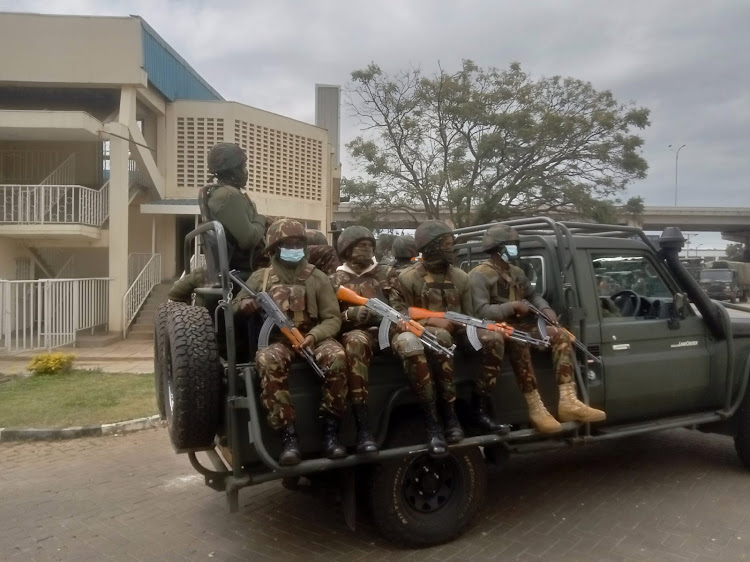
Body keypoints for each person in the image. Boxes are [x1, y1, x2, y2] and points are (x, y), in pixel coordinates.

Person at [232, 218, 348, 466]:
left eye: (298, 243)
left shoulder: (317, 277)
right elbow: (234, 305)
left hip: (312, 337)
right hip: (277, 341)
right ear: (274, 247)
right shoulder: (260, 278)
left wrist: (313, 336)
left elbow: (332, 319)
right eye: (288, 243)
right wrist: (244, 305)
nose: (294, 248)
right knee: (266, 358)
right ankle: (288, 437)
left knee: (336, 356)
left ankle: (331, 433)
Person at [469, 224, 606, 433]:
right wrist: (512, 306)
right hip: (499, 328)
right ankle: (536, 408)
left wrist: (546, 309)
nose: (515, 249)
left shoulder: (516, 272)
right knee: (520, 339)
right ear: (498, 249)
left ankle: (568, 401)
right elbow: (479, 311)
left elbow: (533, 295)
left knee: (560, 335)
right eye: (511, 246)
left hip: (523, 324)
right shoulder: (479, 274)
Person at [391, 220, 508, 444]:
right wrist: (431, 320)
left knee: (494, 339)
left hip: (459, 333)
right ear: (431, 246)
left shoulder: (460, 277)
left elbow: (469, 314)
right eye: (446, 244)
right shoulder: (407, 278)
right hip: (423, 335)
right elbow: (398, 316)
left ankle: (480, 407)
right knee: (441, 336)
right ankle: (446, 416)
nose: (451, 248)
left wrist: (474, 325)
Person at [329, 226, 398, 455]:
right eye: (361, 245)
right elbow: (326, 318)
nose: (367, 248)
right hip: (354, 336)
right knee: (356, 341)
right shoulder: (335, 279)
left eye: (370, 245)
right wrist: (350, 316)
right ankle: (363, 427)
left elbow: (401, 309)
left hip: (387, 333)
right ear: (347, 249)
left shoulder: (386, 274)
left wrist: (383, 315)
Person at [204, 142, 267, 274]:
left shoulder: (222, 193)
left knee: (312, 238)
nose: (245, 171)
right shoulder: (229, 195)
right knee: (320, 250)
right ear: (233, 169)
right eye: (243, 166)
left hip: (248, 260)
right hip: (254, 264)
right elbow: (249, 239)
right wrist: (262, 219)